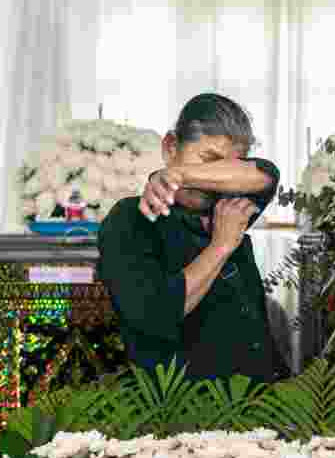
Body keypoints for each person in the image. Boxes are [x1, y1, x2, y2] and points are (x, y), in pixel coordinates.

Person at [98, 93, 291, 383]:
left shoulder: (229, 206)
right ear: (171, 146)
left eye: (227, 169)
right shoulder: (132, 219)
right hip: (186, 410)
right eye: (209, 160)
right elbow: (156, 313)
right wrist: (221, 245)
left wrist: (179, 174)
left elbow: (266, 174)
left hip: (265, 399)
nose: (214, 180)